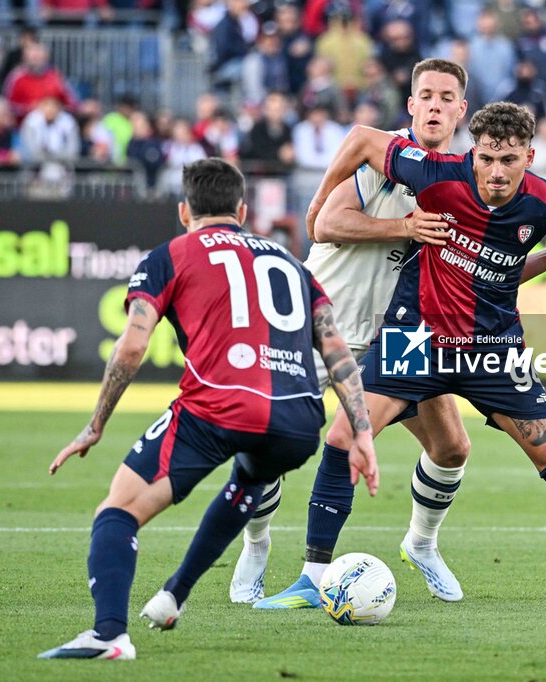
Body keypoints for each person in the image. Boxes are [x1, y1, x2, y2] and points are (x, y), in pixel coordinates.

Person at [265, 100, 546, 610]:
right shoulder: (435, 173)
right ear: (472, 153)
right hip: (414, 339)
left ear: (529, 156)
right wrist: (321, 204)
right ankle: (312, 576)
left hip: (492, 348)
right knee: (346, 434)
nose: (496, 172)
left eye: (509, 160)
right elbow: (365, 140)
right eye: (486, 159)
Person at [242, 59, 546, 607]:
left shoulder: (475, 173)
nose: (434, 106)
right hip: (326, 321)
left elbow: (483, 270)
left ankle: (421, 544)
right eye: (425, 95)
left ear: (462, 110)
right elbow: (325, 224)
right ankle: (257, 544)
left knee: (452, 447)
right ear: (410, 104)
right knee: (272, 439)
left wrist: (544, 259)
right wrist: (402, 226)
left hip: (404, 333)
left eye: (446, 97)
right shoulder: (388, 155)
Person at [38, 158, 373, 660]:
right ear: (242, 210)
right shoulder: (289, 263)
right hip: (299, 419)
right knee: (249, 478)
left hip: (218, 405)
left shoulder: (169, 254)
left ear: (183, 210)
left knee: (118, 511)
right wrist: (362, 431)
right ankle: (174, 594)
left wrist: (95, 424)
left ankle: (109, 634)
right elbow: (335, 349)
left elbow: (132, 346)